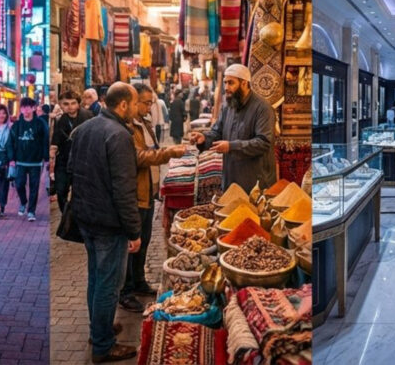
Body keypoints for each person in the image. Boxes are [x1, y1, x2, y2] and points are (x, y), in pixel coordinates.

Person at [68, 82, 141, 363]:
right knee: (109, 283)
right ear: (122, 105)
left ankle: (98, 329)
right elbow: (125, 190)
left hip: (87, 218)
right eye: (134, 104)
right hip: (108, 223)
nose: (135, 109)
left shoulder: (85, 128)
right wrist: (134, 230)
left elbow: (72, 170)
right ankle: (102, 345)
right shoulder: (120, 135)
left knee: (97, 279)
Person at [118, 83, 188, 313]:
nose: (150, 107)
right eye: (146, 103)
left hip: (147, 192)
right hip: (135, 193)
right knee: (132, 245)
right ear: (133, 102)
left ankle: (139, 282)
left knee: (144, 240)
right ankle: (126, 291)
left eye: (151, 103)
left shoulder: (144, 123)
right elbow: (138, 157)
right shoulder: (127, 128)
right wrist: (169, 153)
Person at [188, 64, 276, 192]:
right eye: (225, 83)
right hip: (231, 179)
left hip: (256, 183)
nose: (226, 88)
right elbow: (217, 132)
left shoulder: (262, 108)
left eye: (231, 83)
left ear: (244, 83)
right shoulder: (227, 106)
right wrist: (204, 138)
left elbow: (263, 142)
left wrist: (231, 146)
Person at [7, 97, 50, 222]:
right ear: (20, 109)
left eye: (28, 107)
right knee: (19, 184)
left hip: (36, 161)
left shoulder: (40, 124)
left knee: (34, 186)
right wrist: (12, 158)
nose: (25, 110)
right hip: (20, 160)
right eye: (23, 107)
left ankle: (31, 211)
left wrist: (46, 158)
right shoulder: (17, 125)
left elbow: (45, 141)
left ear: (33, 108)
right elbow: (10, 142)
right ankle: (23, 202)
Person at [50, 90, 93, 213]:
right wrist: (51, 156)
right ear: (61, 105)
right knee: (61, 190)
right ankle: (66, 216)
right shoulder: (60, 120)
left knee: (81, 191)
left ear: (78, 104)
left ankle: (80, 216)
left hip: (83, 160)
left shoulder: (88, 116)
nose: (70, 107)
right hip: (64, 160)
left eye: (73, 103)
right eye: (66, 104)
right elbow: (55, 141)